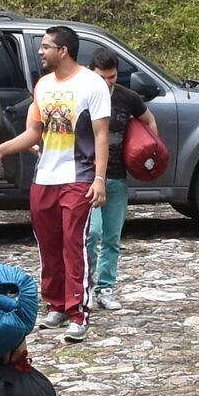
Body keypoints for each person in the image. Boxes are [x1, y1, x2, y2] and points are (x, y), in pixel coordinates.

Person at [0, 24, 107, 345]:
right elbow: (33, 133)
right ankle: (57, 305)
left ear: (62, 51)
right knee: (48, 246)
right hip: (45, 178)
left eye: (46, 46)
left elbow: (101, 135)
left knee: (73, 245)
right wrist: (1, 149)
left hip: (78, 177)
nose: (40, 51)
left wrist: (100, 178)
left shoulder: (91, 84)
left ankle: (79, 312)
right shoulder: (42, 86)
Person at [82, 41, 151, 313]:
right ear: (91, 73)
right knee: (91, 233)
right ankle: (84, 285)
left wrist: (145, 153)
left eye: (112, 77)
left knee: (112, 236)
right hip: (87, 176)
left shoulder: (127, 97)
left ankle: (105, 288)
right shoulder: (82, 95)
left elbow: (149, 122)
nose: (108, 83)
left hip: (117, 177)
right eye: (103, 78)